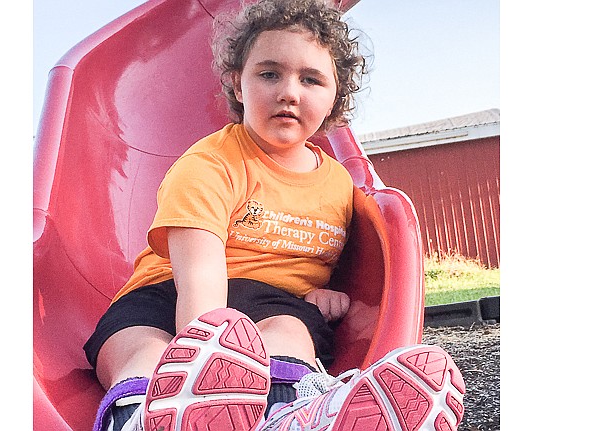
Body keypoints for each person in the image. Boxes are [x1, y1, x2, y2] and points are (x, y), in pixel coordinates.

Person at [83, 1, 465, 430]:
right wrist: (203, 351)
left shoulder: (339, 186)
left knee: (287, 332)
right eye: (269, 74)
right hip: (166, 295)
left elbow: (315, 260)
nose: (289, 91)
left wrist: (320, 292)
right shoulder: (211, 163)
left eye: (311, 79)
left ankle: (288, 416)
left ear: (335, 95)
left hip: (273, 303)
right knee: (143, 351)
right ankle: (147, 419)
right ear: (238, 85)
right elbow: (200, 271)